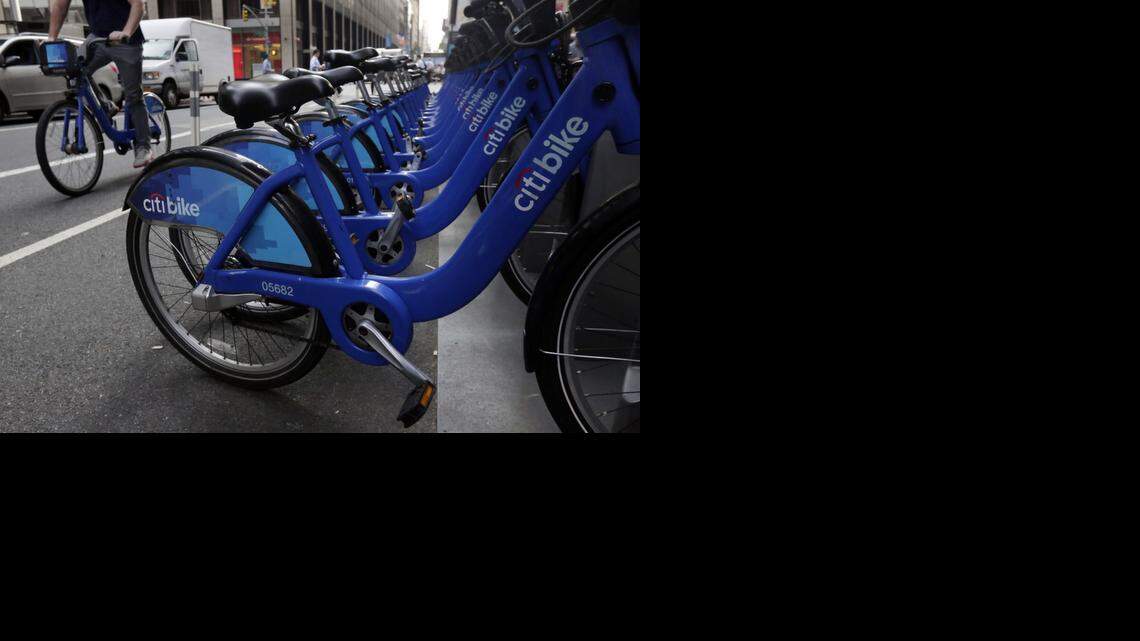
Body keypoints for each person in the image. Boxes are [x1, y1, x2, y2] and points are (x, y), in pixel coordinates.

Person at [49, 0, 152, 168]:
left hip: (126, 39)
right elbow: (60, 6)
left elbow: (138, 4)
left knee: (133, 95)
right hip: (97, 37)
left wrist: (126, 32)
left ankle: (143, 146)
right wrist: (51, 38)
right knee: (75, 70)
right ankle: (105, 106)